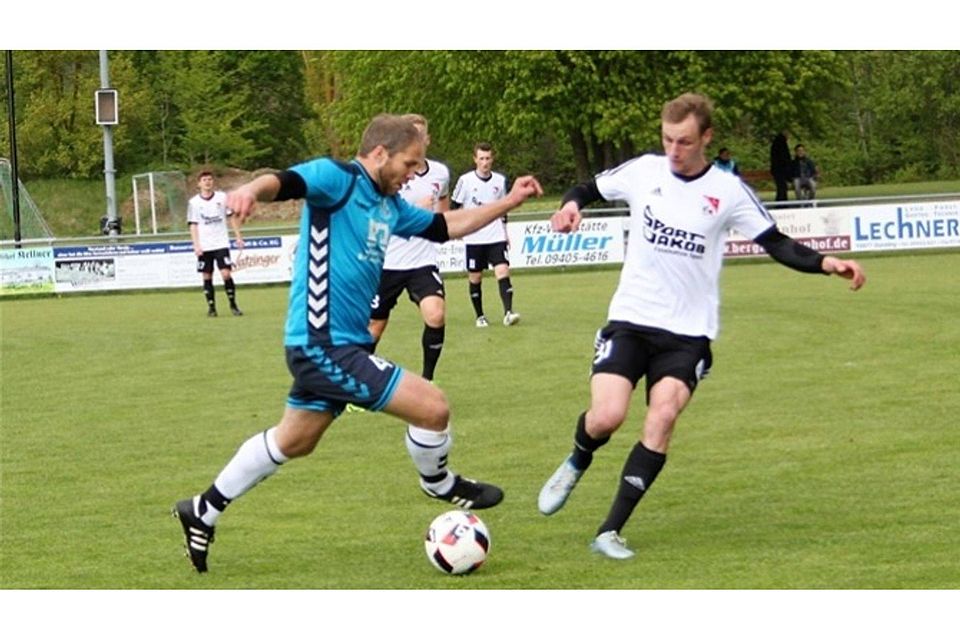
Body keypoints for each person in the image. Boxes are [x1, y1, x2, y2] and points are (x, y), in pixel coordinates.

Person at [172, 114, 543, 573]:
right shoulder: (338, 179)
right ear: (381, 153)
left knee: (295, 440)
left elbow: (446, 227)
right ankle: (439, 483)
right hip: (321, 342)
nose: (414, 174)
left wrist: (509, 200)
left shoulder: (389, 205)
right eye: (410, 163)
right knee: (433, 406)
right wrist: (249, 191)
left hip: (341, 346)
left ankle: (202, 509)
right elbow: (284, 181)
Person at [537, 93, 866, 560]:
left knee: (663, 415)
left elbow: (775, 242)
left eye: (685, 141)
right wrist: (571, 206)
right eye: (668, 139)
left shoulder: (728, 191)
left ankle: (609, 531)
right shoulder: (645, 171)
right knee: (607, 417)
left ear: (706, 138)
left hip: (688, 333)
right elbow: (587, 187)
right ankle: (577, 459)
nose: (674, 150)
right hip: (631, 318)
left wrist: (825, 262)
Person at [368, 114, 450, 382]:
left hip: (422, 261)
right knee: (373, 328)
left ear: (426, 139)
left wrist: (440, 222)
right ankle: (358, 384)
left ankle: (428, 380)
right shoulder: (389, 172)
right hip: (387, 263)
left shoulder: (440, 172)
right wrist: (418, 212)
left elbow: (444, 202)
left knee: (436, 315)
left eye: (420, 135)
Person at [451, 142, 520, 328]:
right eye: (481, 158)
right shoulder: (465, 181)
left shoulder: (499, 180)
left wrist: (505, 232)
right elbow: (454, 206)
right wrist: (457, 228)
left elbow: (503, 208)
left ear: (492, 159)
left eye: (488, 158)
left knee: (503, 270)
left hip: (495, 235)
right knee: (475, 277)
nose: (485, 162)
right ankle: (480, 316)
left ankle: (508, 312)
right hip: (474, 237)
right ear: (475, 159)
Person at [187, 170, 244, 317]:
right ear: (199, 184)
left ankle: (233, 304)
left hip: (221, 243)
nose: (207, 182)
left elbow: (232, 218)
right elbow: (193, 224)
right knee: (207, 275)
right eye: (204, 180)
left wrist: (238, 237)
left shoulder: (222, 197)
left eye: (210, 179)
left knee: (226, 273)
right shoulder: (194, 202)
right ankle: (211, 308)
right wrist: (196, 245)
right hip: (205, 245)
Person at [770, 131, 792, 202]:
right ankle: (782, 202)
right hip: (781, 170)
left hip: (777, 169)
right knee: (782, 187)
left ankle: (781, 202)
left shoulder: (776, 144)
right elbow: (784, 158)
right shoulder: (782, 144)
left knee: (781, 187)